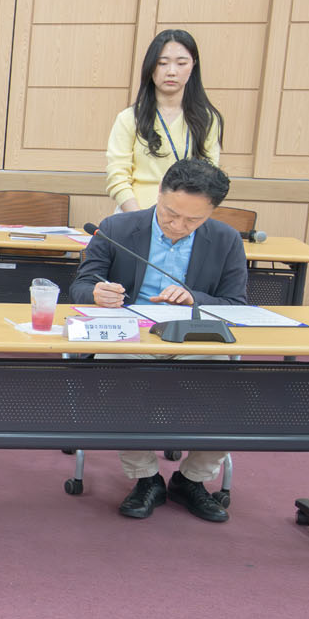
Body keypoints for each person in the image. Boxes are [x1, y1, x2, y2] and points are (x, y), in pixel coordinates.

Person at [70, 158, 248, 523]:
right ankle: (146, 479)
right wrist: (97, 293)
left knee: (232, 390)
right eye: (170, 213)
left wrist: (195, 298)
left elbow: (237, 305)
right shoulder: (117, 228)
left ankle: (191, 480)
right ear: (159, 195)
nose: (178, 226)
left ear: (211, 212)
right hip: (131, 340)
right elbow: (81, 285)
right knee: (114, 372)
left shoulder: (226, 239)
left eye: (193, 220)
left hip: (194, 343)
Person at [106, 28, 223, 212]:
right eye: (162, 63)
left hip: (185, 217)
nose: (171, 72)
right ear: (150, 67)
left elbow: (208, 177)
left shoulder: (207, 120)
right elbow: (117, 176)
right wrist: (139, 219)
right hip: (134, 216)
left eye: (181, 63)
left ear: (193, 66)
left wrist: (185, 218)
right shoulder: (129, 118)